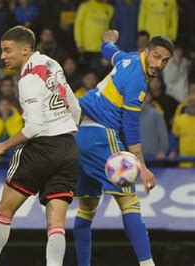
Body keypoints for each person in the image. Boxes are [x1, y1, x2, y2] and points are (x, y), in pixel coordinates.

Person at [0, 26, 81, 266]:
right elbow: (74, 106)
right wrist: (64, 127)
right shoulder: (51, 64)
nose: (3, 56)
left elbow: (34, 126)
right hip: (68, 147)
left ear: (25, 49)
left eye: (7, 50)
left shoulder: (28, 80)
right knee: (56, 224)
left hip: (41, 149)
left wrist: (3, 146)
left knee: (4, 212)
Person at [73, 30, 173, 266]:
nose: (159, 64)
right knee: (130, 203)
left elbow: (109, 51)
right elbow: (130, 126)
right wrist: (142, 167)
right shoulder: (138, 78)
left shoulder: (127, 57)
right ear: (146, 52)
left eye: (165, 61)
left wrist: (108, 39)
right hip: (100, 134)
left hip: (78, 134)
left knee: (86, 208)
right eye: (156, 57)